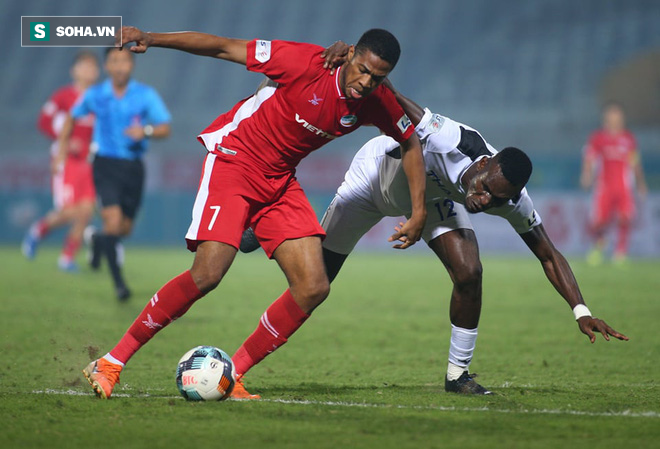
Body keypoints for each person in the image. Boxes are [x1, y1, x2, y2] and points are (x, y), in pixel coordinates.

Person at [82, 26, 428, 399]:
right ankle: (111, 362)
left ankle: (232, 376)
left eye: (377, 78)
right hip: (235, 159)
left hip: (279, 181)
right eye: (362, 69)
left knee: (313, 287)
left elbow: (410, 142)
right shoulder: (304, 62)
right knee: (208, 274)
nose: (365, 82)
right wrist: (153, 38)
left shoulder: (376, 100)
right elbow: (222, 47)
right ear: (350, 55)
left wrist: (419, 211)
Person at [235, 80, 629, 396]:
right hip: (372, 181)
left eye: (496, 199)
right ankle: (264, 221)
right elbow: (394, 99)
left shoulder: (510, 198)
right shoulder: (450, 138)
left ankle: (458, 375)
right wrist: (361, 75)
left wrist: (581, 310)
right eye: (484, 188)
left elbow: (548, 253)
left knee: (469, 273)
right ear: (485, 163)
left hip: (433, 197)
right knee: (313, 285)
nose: (483, 200)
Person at [58, 47, 172, 300]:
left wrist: (147, 131)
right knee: (112, 221)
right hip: (105, 165)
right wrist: (62, 150)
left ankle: (98, 240)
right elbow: (71, 118)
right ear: (107, 66)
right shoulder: (96, 94)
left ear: (131, 65)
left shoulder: (145, 95)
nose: (119, 66)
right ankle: (120, 284)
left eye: (124, 61)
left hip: (133, 167)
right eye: (114, 61)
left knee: (124, 228)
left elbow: (165, 127)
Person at [22, 51, 99, 272]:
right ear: (74, 70)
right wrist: (65, 141)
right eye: (84, 66)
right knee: (69, 210)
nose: (88, 71)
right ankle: (39, 229)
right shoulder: (63, 96)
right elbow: (44, 121)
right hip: (67, 161)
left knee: (86, 211)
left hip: (90, 162)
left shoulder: (99, 97)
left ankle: (67, 257)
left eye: (92, 67)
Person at [580, 102, 648, 265]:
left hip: (624, 187)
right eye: (611, 115)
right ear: (606, 118)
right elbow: (589, 158)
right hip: (604, 186)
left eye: (617, 115)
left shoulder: (628, 139)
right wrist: (586, 175)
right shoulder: (598, 138)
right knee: (599, 221)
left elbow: (635, 163)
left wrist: (641, 183)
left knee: (625, 218)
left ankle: (620, 252)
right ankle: (599, 245)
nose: (614, 118)